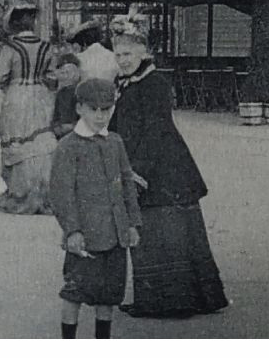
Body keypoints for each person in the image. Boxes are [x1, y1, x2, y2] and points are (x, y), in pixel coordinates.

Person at [111, 27, 228, 318]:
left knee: (164, 231)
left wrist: (137, 174)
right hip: (142, 163)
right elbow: (116, 126)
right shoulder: (127, 83)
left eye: (127, 54)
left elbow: (156, 131)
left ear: (143, 53)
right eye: (118, 54)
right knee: (154, 233)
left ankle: (173, 301)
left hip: (162, 168)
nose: (123, 60)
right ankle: (163, 299)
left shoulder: (155, 84)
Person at [50, 78, 141, 339]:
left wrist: (132, 223)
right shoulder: (68, 146)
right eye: (94, 110)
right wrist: (72, 231)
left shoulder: (115, 142)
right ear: (80, 108)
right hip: (85, 237)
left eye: (106, 109)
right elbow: (61, 194)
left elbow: (126, 183)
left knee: (108, 296)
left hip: (115, 235)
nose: (101, 116)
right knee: (75, 292)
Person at [0, 3, 58, 214]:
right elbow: (52, 75)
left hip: (17, 95)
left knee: (17, 138)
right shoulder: (46, 46)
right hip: (41, 95)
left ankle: (20, 192)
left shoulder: (10, 47)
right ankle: (42, 192)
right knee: (39, 141)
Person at [51, 53, 82, 140]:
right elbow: (55, 115)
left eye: (68, 72)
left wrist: (72, 126)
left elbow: (86, 117)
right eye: (63, 72)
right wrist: (56, 127)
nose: (66, 76)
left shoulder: (80, 92)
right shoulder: (60, 94)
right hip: (62, 135)